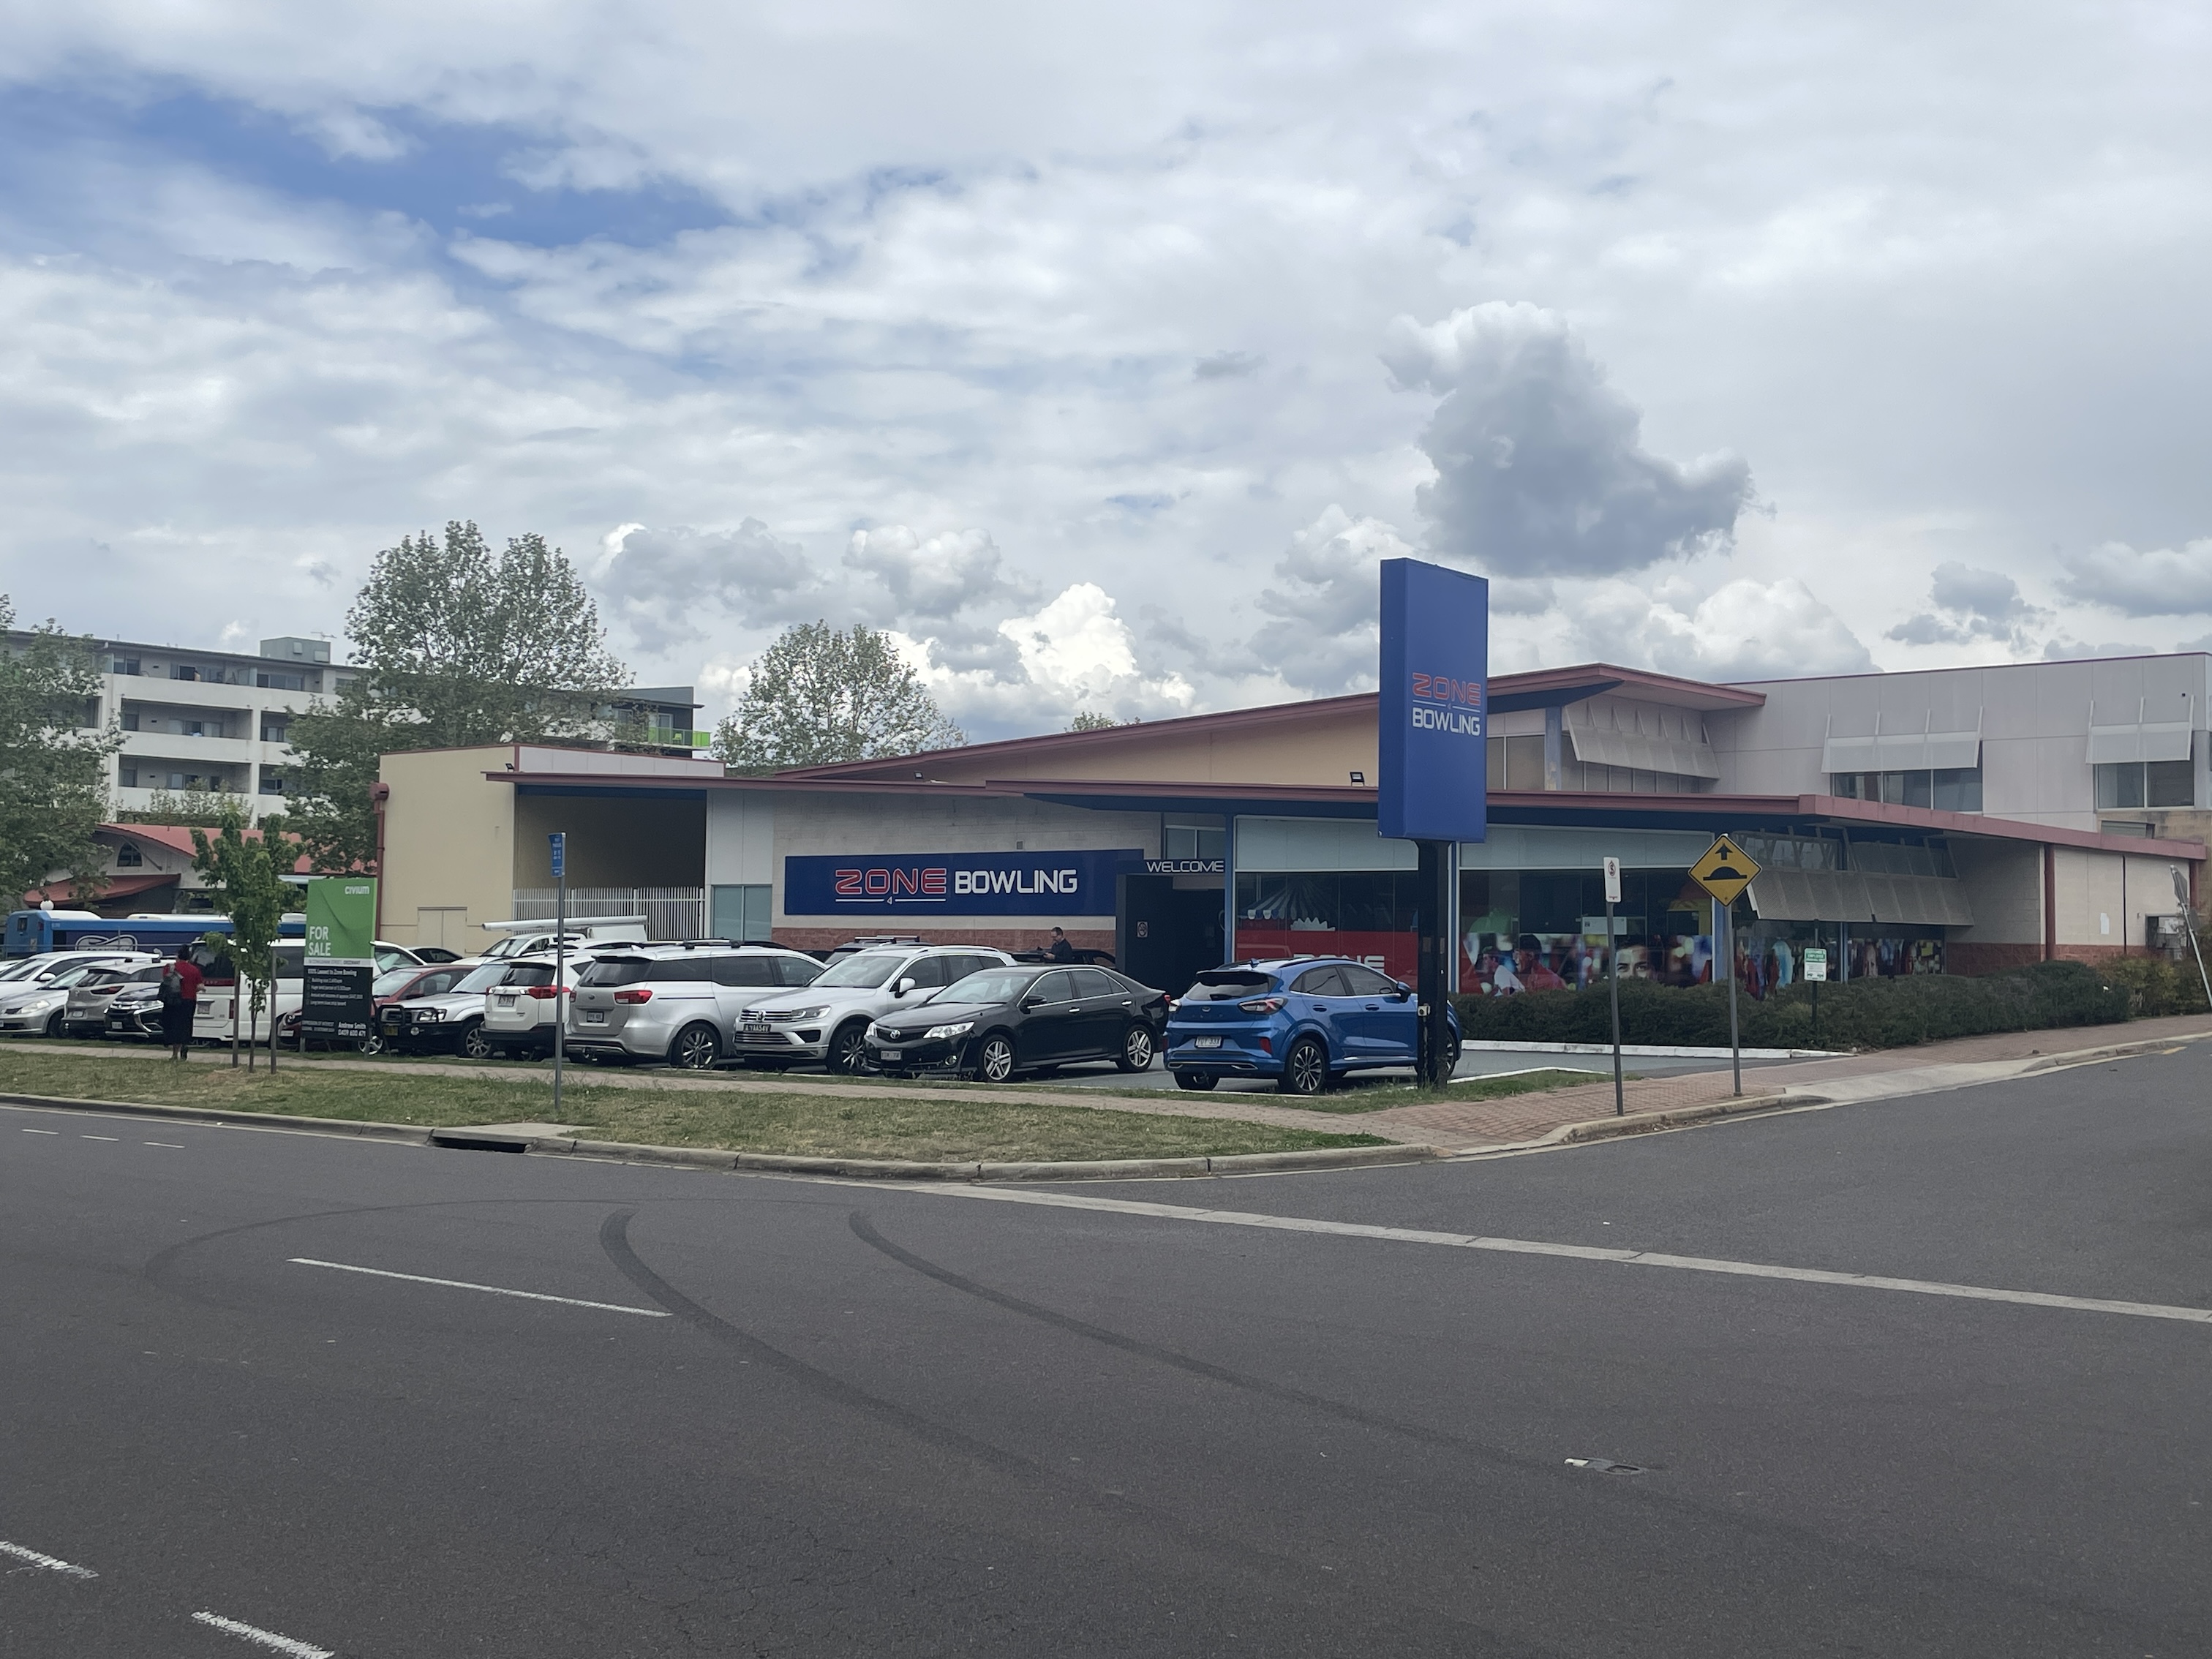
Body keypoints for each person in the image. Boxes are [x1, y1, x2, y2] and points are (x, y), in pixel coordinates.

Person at [158, 945, 203, 1061]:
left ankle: (174, 1054)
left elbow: (166, 983)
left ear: (178, 955)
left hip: (172, 1001)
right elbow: (200, 986)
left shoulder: (169, 968)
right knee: (185, 1025)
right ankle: (184, 1045)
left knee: (173, 1026)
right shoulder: (195, 970)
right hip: (189, 1001)